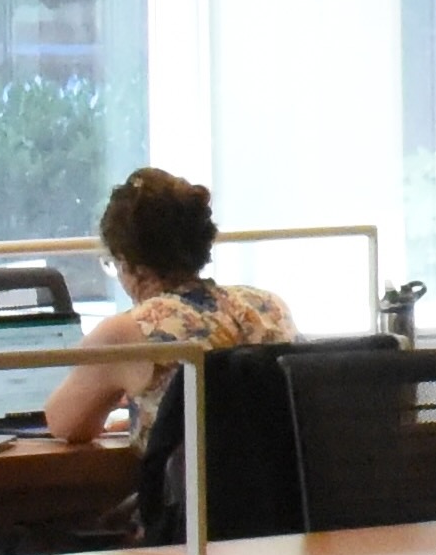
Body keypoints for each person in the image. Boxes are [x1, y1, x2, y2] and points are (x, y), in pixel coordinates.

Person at [43, 167, 297, 444]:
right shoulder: (268, 307)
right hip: (286, 486)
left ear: (127, 261)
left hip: (192, 487)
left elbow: (64, 424)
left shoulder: (127, 332)